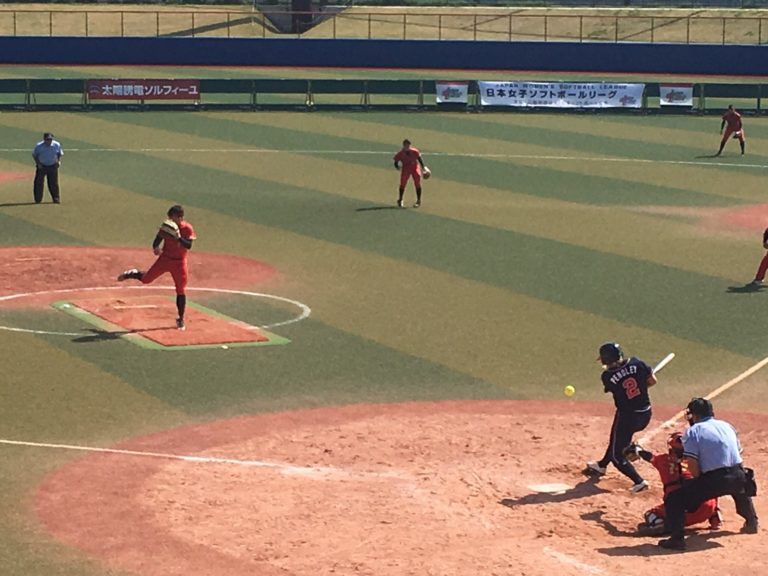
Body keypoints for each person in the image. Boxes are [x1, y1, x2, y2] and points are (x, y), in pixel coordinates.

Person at [658, 398, 759, 551]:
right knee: (741, 485)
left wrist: (696, 483)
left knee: (675, 498)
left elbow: (693, 467)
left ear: (696, 415)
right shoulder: (727, 426)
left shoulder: (693, 431)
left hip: (715, 480)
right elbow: (738, 453)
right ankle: (752, 522)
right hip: (739, 475)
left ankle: (677, 539)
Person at [583, 342, 656, 493]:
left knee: (618, 456)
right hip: (645, 414)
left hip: (627, 418)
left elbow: (620, 389)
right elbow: (652, 381)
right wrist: (641, 384)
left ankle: (639, 481)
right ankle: (602, 465)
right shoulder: (638, 363)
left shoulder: (607, 377)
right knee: (616, 439)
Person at [117, 205, 196, 330]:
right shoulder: (167, 226)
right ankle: (132, 273)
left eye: (173, 217)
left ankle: (180, 319)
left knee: (180, 289)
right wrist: (156, 247)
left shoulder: (187, 228)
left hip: (179, 263)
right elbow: (157, 239)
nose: (170, 220)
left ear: (180, 217)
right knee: (146, 279)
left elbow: (189, 245)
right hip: (165, 259)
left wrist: (178, 238)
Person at [625, 432, 721, 534]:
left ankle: (661, 524)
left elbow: (649, 456)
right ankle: (715, 519)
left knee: (651, 514)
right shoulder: (698, 461)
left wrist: (638, 450)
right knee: (708, 488)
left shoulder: (664, 460)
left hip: (682, 514)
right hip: (707, 509)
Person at [393, 139, 429, 208]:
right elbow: (396, 161)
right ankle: (400, 200)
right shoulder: (400, 153)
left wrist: (423, 167)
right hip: (406, 168)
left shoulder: (414, 151)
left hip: (415, 167)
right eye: (406, 145)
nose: (407, 146)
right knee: (403, 183)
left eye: (408, 145)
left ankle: (418, 201)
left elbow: (419, 158)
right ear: (403, 145)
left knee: (417, 183)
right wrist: (397, 167)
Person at [32, 132, 63, 204]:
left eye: (50, 139)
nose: (49, 141)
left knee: (53, 183)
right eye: (48, 139)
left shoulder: (56, 145)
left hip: (52, 166)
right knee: (38, 183)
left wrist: (58, 161)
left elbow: (59, 153)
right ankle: (38, 199)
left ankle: (56, 198)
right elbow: (34, 155)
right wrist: (38, 163)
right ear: (44, 139)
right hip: (42, 166)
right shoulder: (39, 146)